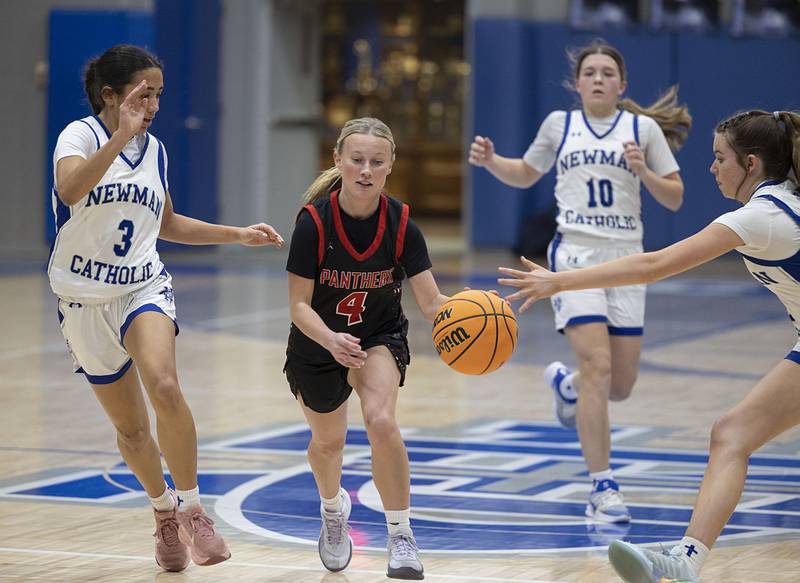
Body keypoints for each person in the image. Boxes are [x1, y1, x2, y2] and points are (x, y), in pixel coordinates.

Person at [498, 109, 800, 583]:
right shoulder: (780, 202)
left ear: (752, 164)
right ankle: (686, 560)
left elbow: (653, 265)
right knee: (730, 435)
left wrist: (560, 281)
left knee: (731, 436)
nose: (711, 167)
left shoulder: (761, 216)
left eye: (720, 158)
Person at [48, 44, 284, 572]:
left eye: (158, 94)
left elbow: (167, 225)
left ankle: (195, 510)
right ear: (110, 95)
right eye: (142, 94)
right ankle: (163, 515)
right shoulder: (79, 136)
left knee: (166, 385)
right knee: (132, 431)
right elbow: (70, 189)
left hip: (141, 285)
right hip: (83, 298)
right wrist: (120, 137)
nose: (153, 105)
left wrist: (237, 234)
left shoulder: (155, 150)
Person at [468, 40, 691, 523]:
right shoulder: (559, 125)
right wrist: (491, 161)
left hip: (627, 258)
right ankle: (602, 487)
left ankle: (567, 389)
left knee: (621, 385)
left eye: (607, 72)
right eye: (589, 71)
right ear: (577, 82)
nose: (597, 79)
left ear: (621, 84)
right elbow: (526, 173)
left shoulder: (642, 129)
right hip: (572, 256)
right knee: (598, 366)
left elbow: (674, 198)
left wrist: (644, 171)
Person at [284, 117, 451, 580]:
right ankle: (333, 509)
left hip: (378, 335)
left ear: (390, 166)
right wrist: (330, 340)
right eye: (356, 160)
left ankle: (400, 535)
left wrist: (478, 310)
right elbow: (298, 306)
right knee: (328, 443)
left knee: (381, 420)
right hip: (319, 339)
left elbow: (433, 302)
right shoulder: (314, 223)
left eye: (376, 162)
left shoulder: (401, 225)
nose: (365, 169)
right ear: (338, 160)